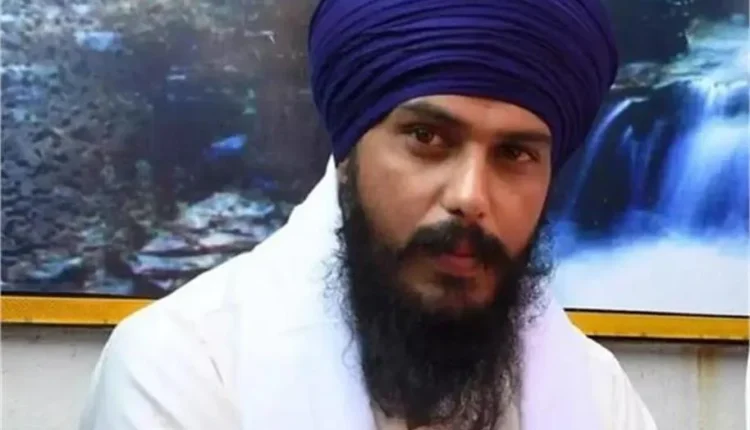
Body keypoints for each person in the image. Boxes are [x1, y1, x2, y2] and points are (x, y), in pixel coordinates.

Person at [79, 0, 659, 429]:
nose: (470, 196)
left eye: (514, 154)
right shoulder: (185, 368)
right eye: (427, 137)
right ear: (347, 155)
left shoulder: (597, 394)